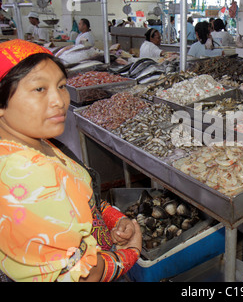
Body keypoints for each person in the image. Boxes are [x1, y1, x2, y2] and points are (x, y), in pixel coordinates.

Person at [0, 39, 142, 282]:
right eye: (39, 89)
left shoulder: (37, 141)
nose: (60, 101)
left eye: (62, 86)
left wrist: (113, 218)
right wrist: (129, 254)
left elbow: (77, 198)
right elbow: (82, 275)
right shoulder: (27, 175)